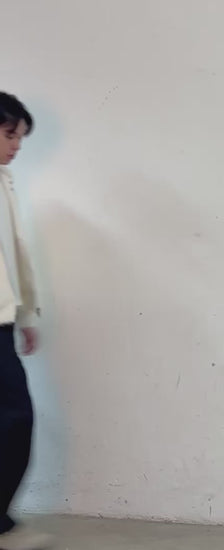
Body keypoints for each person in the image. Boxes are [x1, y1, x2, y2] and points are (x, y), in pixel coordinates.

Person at [0, 92, 52, 549]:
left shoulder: (4, 182)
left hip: (1, 321)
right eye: (9, 134)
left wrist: (26, 313)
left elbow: (16, 256)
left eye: (20, 137)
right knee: (14, 415)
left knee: (15, 418)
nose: (17, 145)